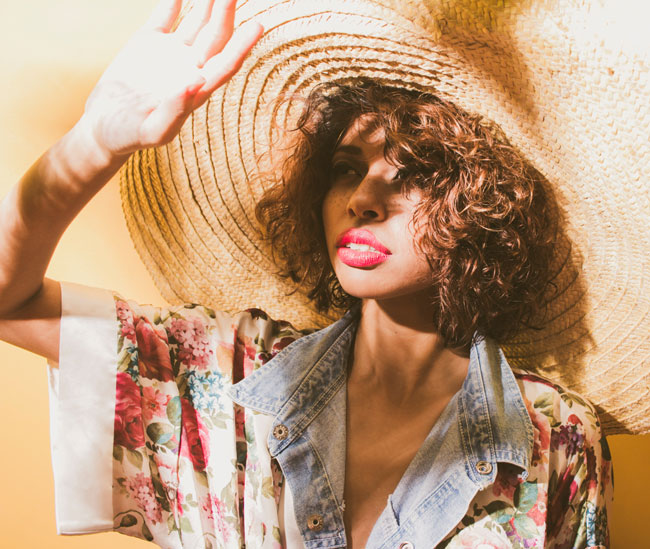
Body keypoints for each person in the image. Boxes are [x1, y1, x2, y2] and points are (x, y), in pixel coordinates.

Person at [0, 0, 623, 547]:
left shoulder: (556, 438)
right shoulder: (230, 372)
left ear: (485, 206)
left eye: (415, 172)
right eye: (346, 168)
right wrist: (93, 143)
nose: (362, 198)